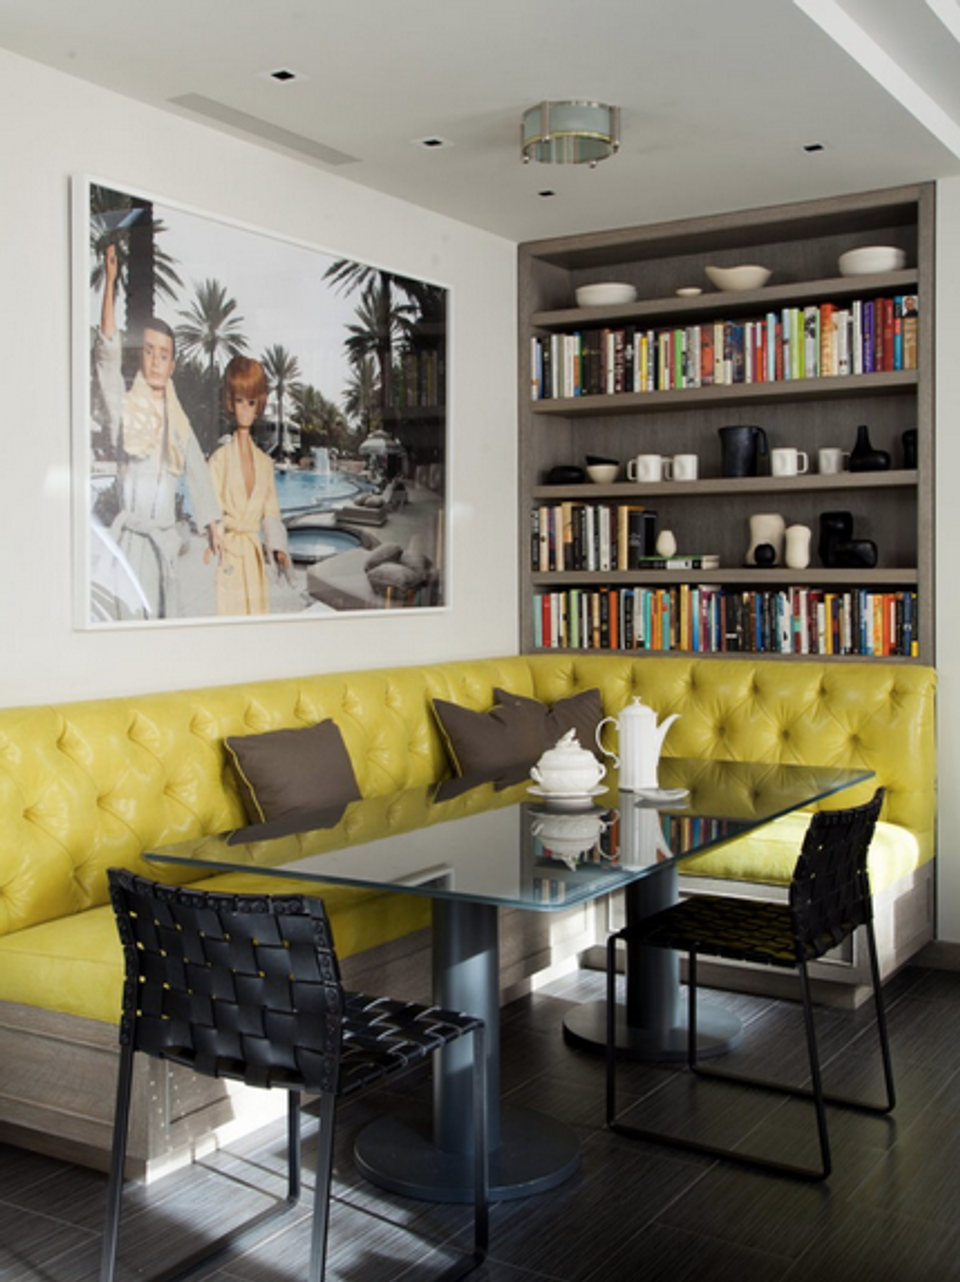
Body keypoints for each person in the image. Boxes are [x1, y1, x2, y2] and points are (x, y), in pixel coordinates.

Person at [92, 243, 222, 619]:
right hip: (131, 544)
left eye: (162, 355)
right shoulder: (124, 408)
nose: (154, 361)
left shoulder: (178, 421)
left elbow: (196, 467)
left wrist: (213, 523)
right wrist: (110, 286)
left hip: (164, 544)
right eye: (148, 351)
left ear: (172, 364)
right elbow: (107, 358)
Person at [208, 356, 290, 615]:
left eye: (251, 402)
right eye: (239, 400)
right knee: (229, 617)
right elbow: (212, 507)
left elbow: (271, 513)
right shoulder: (219, 460)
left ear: (259, 405)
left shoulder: (265, 464)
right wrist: (215, 535)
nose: (245, 409)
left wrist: (278, 548)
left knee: (256, 617)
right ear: (230, 403)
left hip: (254, 556)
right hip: (229, 553)